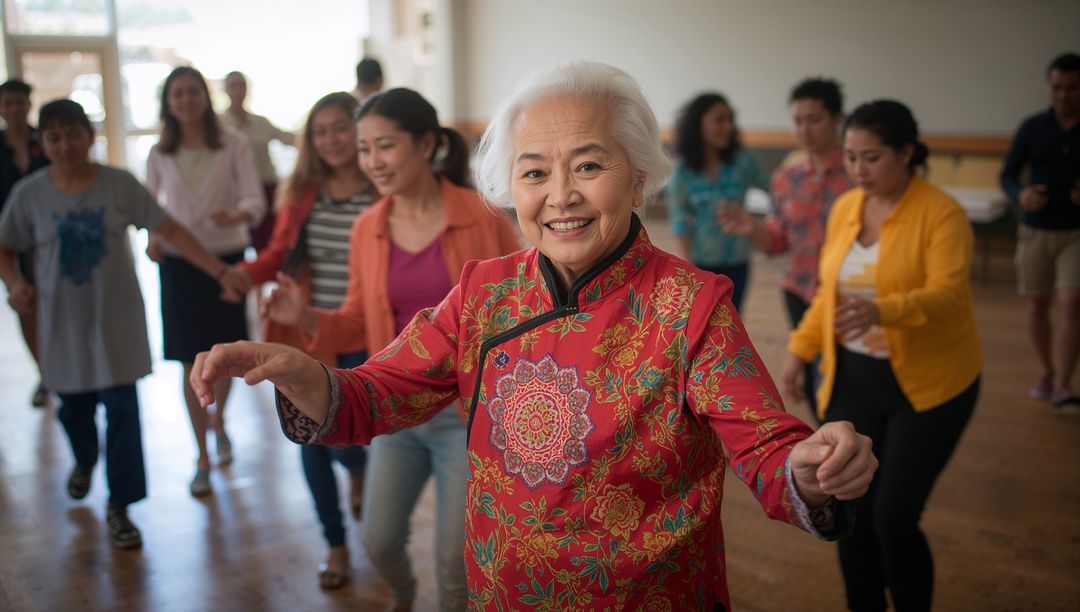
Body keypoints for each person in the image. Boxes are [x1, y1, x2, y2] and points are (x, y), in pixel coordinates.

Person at [193, 62, 877, 611]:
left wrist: (809, 471)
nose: (560, 195)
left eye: (587, 165)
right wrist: (302, 370)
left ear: (637, 179)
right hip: (506, 594)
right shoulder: (485, 291)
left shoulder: (690, 306)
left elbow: (766, 446)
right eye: (534, 172)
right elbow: (377, 394)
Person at [261, 87, 519, 611]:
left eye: (385, 145)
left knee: (455, 563)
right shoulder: (368, 227)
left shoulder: (482, 215)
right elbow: (358, 322)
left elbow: (519, 308)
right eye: (364, 148)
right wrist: (306, 318)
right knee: (378, 541)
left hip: (468, 416)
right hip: (398, 409)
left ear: (426, 144)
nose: (371, 161)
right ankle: (402, 598)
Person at [0, 99, 247, 549]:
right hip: (62, 328)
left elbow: (170, 230)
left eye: (74, 134)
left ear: (90, 136)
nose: (65, 145)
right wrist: (15, 282)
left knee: (123, 415)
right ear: (43, 143)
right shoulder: (29, 195)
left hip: (117, 326)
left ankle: (121, 507)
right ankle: (84, 460)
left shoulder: (118, 184)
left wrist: (220, 270)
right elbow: (5, 247)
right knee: (74, 413)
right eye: (54, 137)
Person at [782, 100, 982, 612]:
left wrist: (879, 311)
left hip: (930, 386)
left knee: (894, 518)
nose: (857, 170)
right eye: (850, 157)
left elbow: (949, 296)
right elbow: (828, 292)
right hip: (851, 378)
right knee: (850, 509)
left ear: (906, 153)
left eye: (871, 158)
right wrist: (799, 352)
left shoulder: (941, 213)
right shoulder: (847, 207)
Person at [223, 91, 376, 590]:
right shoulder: (302, 192)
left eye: (340, 128)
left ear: (361, 132)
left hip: (369, 334)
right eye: (320, 131)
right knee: (311, 440)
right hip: (306, 334)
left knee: (359, 433)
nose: (331, 139)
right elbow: (275, 255)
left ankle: (356, 471)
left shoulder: (382, 191)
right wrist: (245, 274)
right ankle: (334, 543)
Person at [145, 66, 266, 497]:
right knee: (187, 358)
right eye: (177, 93)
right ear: (168, 102)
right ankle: (200, 453)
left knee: (226, 355)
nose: (186, 100)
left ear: (205, 97)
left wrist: (238, 214)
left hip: (227, 259)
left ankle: (221, 421)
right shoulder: (159, 153)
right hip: (179, 266)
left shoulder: (231, 145)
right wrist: (154, 239)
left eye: (193, 91)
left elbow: (255, 199)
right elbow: (149, 212)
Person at [720, 78, 852, 418]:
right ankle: (827, 430)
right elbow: (777, 242)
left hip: (849, 291)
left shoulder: (858, 173)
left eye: (814, 119)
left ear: (837, 119)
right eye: (797, 120)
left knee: (846, 373)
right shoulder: (786, 178)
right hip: (799, 288)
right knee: (809, 370)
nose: (804, 129)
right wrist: (754, 229)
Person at [1000, 52, 1080, 413]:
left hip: (1075, 233)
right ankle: (1047, 371)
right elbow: (1008, 176)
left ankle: (1064, 384)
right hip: (1035, 231)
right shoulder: (1031, 127)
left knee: (1071, 303)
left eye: (1072, 88)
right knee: (1037, 306)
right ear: (1050, 88)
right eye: (1057, 87)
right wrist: (1022, 195)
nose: (1063, 95)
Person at [668, 92, 768, 312]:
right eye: (719, 120)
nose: (727, 127)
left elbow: (777, 191)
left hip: (738, 262)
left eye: (730, 120)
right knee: (703, 324)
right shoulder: (682, 170)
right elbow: (679, 221)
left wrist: (763, 229)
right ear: (698, 124)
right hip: (701, 264)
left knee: (733, 322)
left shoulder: (743, 161)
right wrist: (689, 267)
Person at [0, 78, 51, 407]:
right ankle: (45, 373)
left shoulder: (46, 141)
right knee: (25, 304)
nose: (15, 109)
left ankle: (61, 369)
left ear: (29, 104)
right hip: (7, 242)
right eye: (8, 103)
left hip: (45, 238)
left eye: (20, 102)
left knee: (53, 304)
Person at [221, 70, 297, 253]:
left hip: (267, 190)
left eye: (242, 86)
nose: (238, 91)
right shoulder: (219, 124)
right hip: (237, 195)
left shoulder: (260, 122)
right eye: (233, 86)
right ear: (226, 90)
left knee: (270, 245)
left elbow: (288, 139)